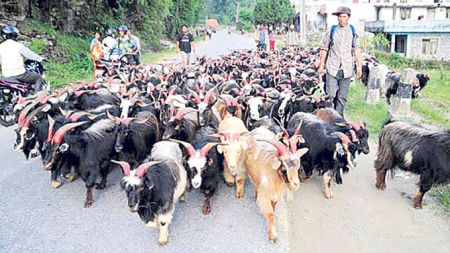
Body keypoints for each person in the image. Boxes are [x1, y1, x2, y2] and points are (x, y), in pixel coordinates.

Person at [318, 7, 362, 115]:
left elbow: (356, 49)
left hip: (347, 68)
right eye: (339, 16)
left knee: (342, 97)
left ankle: (338, 118)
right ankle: (329, 116)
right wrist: (321, 66)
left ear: (348, 18)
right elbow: (324, 48)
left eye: (344, 16)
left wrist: (359, 66)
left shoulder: (353, 32)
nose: (341, 19)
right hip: (332, 66)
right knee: (331, 95)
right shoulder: (332, 31)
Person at [0, 25, 44, 90]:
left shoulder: (1, 46)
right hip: (19, 75)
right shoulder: (18, 45)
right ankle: (37, 96)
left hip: (6, 76)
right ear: (14, 35)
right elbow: (30, 54)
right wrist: (40, 58)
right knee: (38, 77)